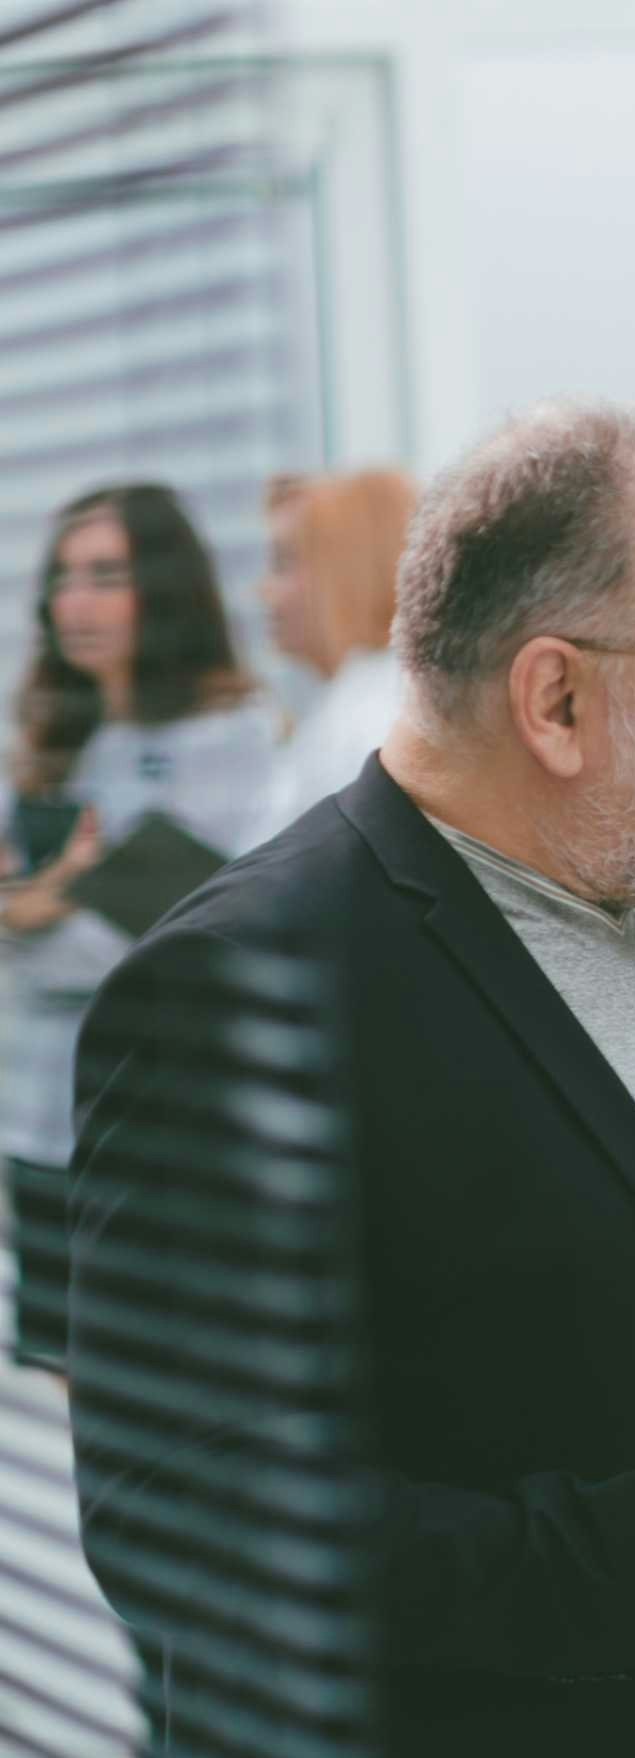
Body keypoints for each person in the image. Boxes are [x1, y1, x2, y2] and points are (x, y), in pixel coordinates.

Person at [65, 402, 635, 1758]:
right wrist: (634, 1566)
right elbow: (181, 1524)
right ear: (555, 702)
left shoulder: (612, 919)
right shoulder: (242, 987)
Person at [2, 484, 278, 1372]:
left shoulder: (226, 736)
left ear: (164, 588)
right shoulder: (55, 741)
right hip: (39, 1122)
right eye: (63, 579)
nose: (72, 603)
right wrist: (59, 896)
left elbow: (139, 936)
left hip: (156, 1129)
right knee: (65, 1378)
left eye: (105, 576)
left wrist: (40, 905)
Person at [262, 467, 419, 825]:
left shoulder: (371, 725)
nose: (264, 589)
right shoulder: (356, 704)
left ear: (346, 567)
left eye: (283, 563)